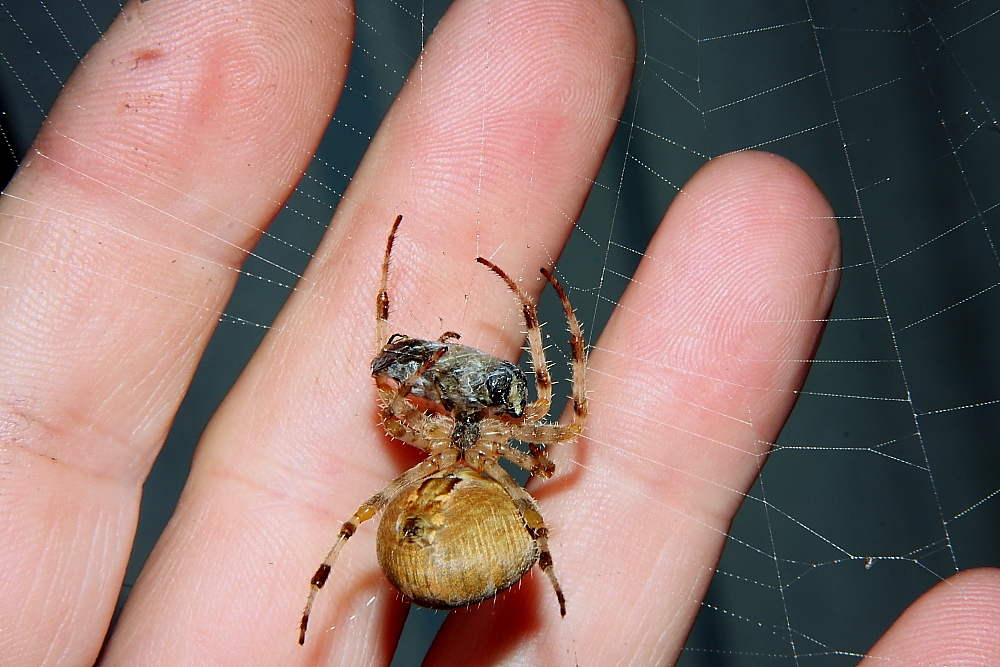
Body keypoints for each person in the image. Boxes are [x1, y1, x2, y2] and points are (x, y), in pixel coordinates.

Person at [1, 0, 997, 665]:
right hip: (460, 527)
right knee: (396, 515)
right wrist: (535, 316)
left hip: (451, 526)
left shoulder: (436, 455)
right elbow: (556, 415)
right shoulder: (506, 463)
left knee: (359, 523)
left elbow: (496, 417)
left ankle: (334, 600)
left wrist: (525, 319)